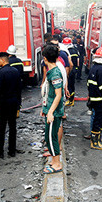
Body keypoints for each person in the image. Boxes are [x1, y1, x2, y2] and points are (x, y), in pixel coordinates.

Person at [41, 44, 64, 173]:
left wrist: (50, 112)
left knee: (51, 138)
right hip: (50, 110)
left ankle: (57, 164)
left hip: (53, 112)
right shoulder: (52, 71)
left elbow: (58, 94)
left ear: (45, 58)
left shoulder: (55, 73)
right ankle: (55, 161)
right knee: (50, 137)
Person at [0, 52, 23, 158]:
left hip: (3, 103)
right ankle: (11, 150)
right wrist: (18, 103)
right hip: (13, 102)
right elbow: (19, 88)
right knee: (12, 127)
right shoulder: (15, 71)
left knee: (1, 128)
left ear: (3, 60)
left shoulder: (1, 72)